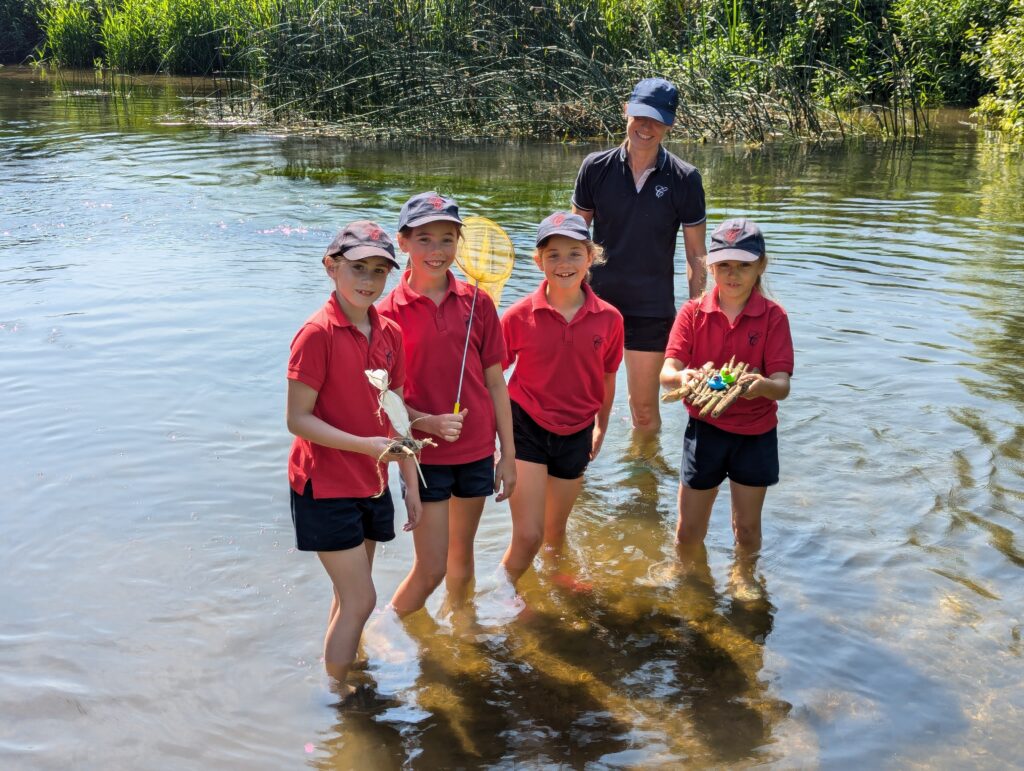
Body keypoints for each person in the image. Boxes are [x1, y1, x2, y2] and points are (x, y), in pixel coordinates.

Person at [285, 221, 422, 700]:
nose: (368, 279)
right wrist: (367, 445)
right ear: (331, 266)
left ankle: (342, 669)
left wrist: (410, 481)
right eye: (357, 267)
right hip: (323, 485)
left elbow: (397, 408)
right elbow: (298, 421)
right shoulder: (316, 334)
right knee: (362, 598)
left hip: (372, 481)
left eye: (379, 271)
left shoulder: (389, 332)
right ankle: (337, 699)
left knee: (350, 599)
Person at [378, 191, 516, 615]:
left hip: (476, 451)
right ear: (402, 243)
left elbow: (496, 383)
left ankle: (460, 630)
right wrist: (427, 423)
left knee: (462, 556)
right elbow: (385, 398)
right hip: (423, 458)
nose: (436, 251)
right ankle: (384, 631)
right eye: (424, 239)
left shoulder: (479, 305)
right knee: (431, 566)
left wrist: (507, 455)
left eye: (446, 239)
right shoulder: (386, 313)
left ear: (460, 242)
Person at [572, 77, 707, 435]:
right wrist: (562, 300)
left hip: (651, 310)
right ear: (626, 111)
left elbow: (697, 256)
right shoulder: (594, 168)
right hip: (595, 307)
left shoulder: (685, 178)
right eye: (640, 116)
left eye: (657, 119)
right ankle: (578, 488)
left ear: (670, 124)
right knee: (580, 406)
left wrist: (696, 316)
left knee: (644, 411)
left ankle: (643, 489)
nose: (646, 127)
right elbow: (572, 240)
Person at [499, 212, 624, 588]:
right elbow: (490, 377)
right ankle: (503, 592)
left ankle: (555, 580)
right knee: (528, 535)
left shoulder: (610, 319)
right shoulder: (519, 316)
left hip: (577, 430)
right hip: (526, 425)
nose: (563, 263)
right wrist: (497, 442)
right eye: (552, 255)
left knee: (555, 531)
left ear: (590, 257)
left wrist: (602, 425)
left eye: (574, 253)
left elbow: (607, 376)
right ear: (538, 262)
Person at [659, 218, 793, 566]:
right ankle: (690, 582)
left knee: (746, 529)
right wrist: (685, 377)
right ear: (710, 267)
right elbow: (667, 373)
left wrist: (758, 386)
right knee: (688, 531)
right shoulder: (692, 313)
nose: (733, 275)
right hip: (705, 431)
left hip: (755, 435)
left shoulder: (774, 317)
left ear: (760, 266)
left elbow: (781, 386)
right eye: (724, 266)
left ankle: (744, 576)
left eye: (744, 266)